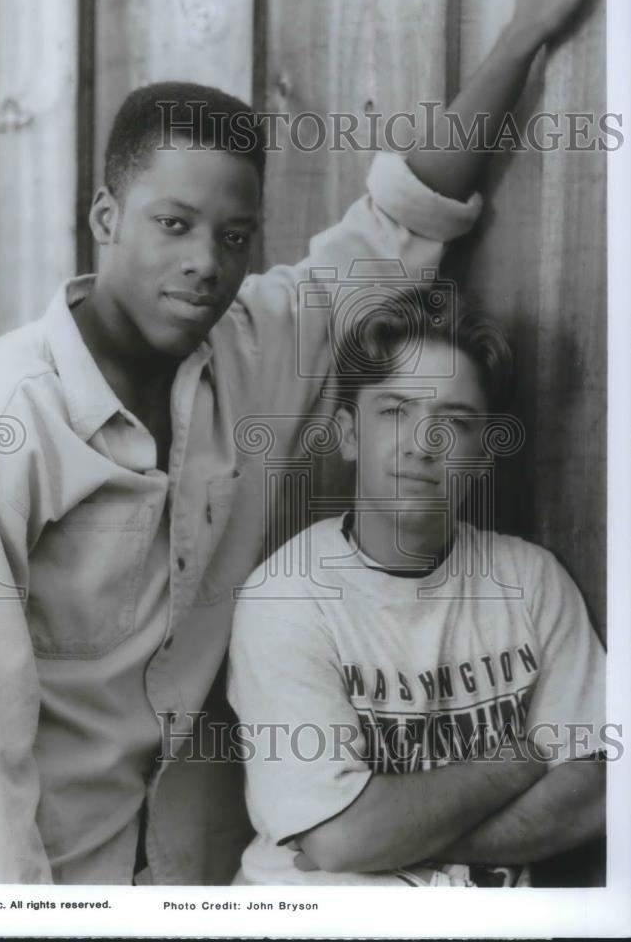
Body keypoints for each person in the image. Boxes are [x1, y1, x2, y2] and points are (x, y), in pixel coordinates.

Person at [0, 0, 596, 885]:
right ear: (106, 219)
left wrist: (522, 36)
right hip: (22, 877)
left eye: (235, 236)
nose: (204, 263)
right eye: (173, 224)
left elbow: (398, 221)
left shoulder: (252, 345)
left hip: (177, 876)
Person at [227, 284, 606, 887]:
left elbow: (602, 794)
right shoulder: (286, 597)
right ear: (349, 435)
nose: (423, 445)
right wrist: (527, 757)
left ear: (483, 452)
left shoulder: (531, 580)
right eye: (396, 411)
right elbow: (341, 837)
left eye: (453, 422)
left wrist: (392, 838)